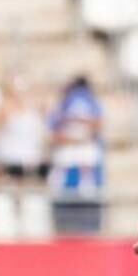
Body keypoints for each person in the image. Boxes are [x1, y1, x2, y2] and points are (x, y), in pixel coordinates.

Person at [47, 74, 103, 235]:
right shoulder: (62, 107)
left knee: (87, 199)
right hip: (67, 167)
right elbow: (53, 134)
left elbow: (96, 127)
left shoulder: (90, 104)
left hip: (84, 168)